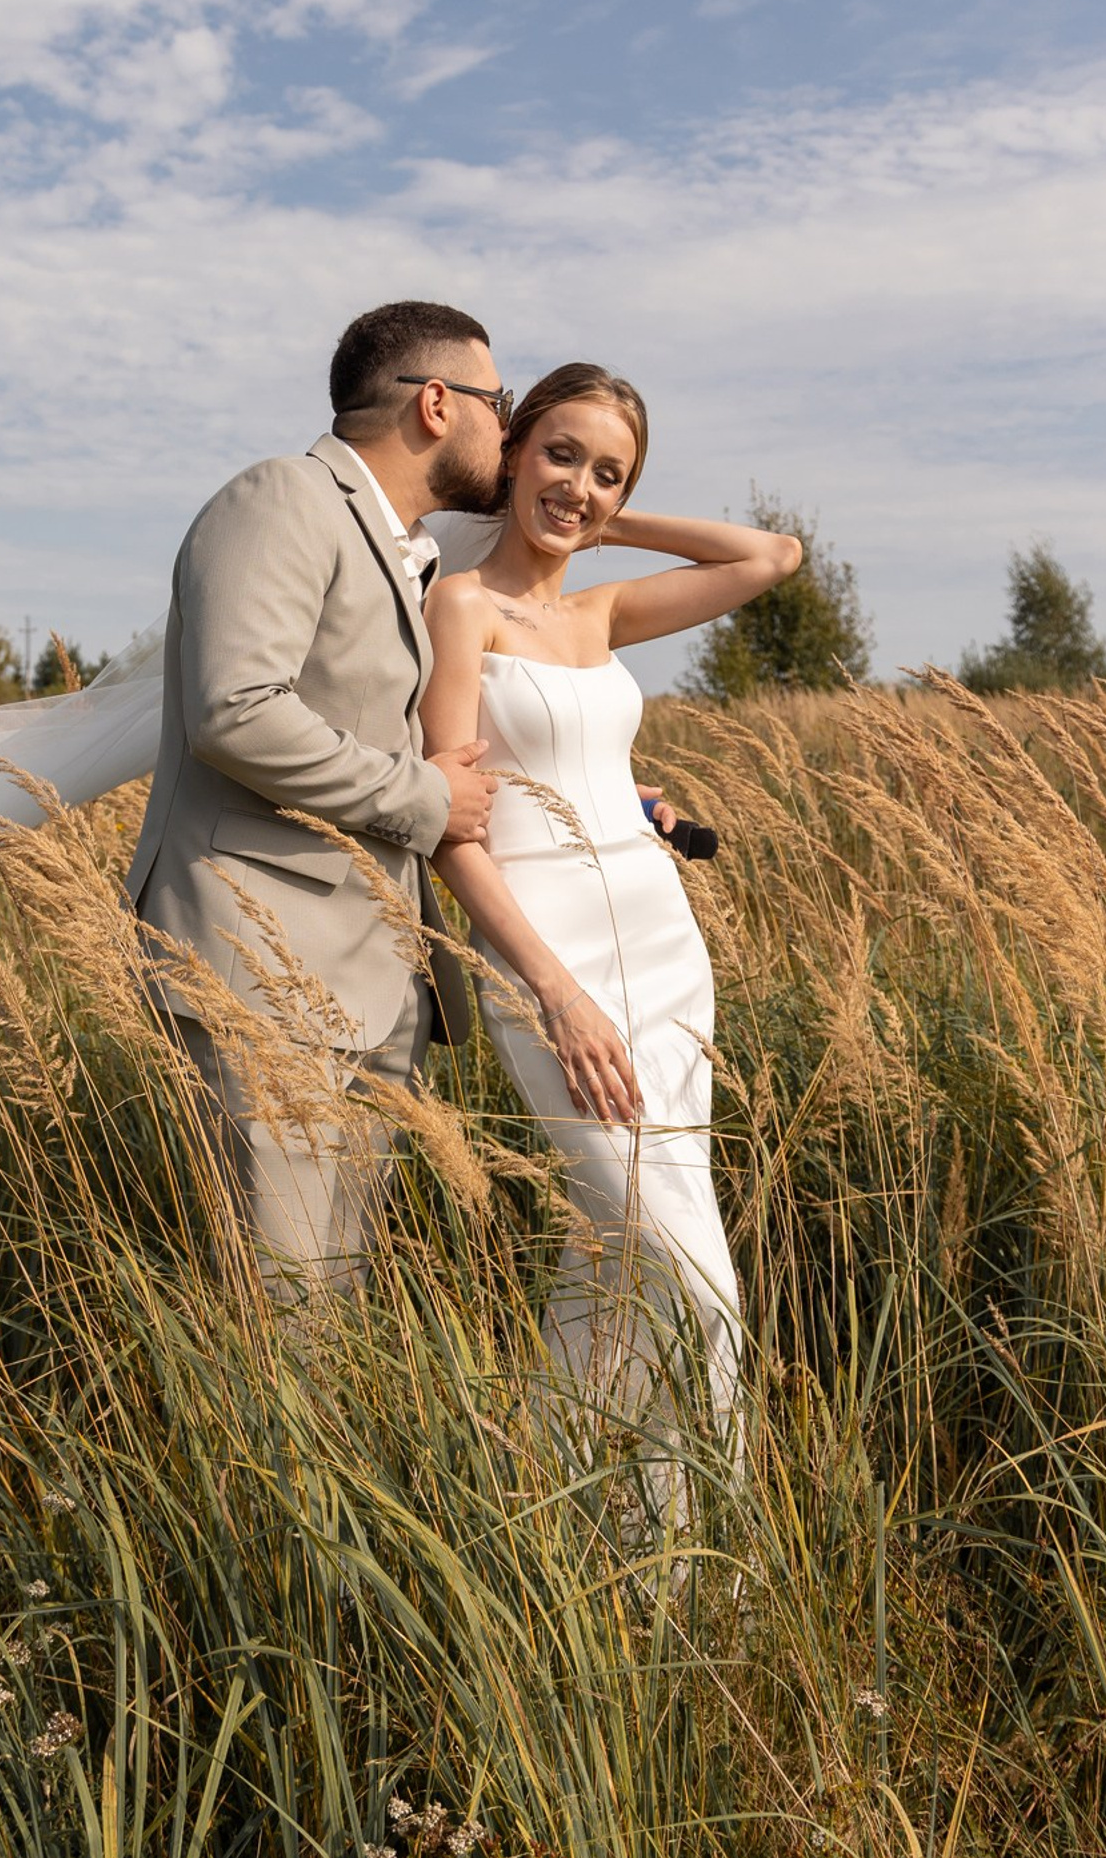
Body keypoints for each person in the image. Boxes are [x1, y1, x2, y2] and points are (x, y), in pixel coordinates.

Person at [419, 363, 802, 1437]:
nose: (579, 484)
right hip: (551, 962)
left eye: (609, 473)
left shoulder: (600, 613)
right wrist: (556, 994)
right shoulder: (460, 606)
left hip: (663, 948)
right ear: (512, 449)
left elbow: (772, 555)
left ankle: (578, 1513)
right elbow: (454, 830)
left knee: (620, 1252)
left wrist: (605, 523)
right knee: (698, 1285)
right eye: (559, 455)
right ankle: (697, 1543)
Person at [123, 300, 505, 1297]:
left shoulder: (408, 548)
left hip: (373, 985)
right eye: (498, 404)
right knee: (280, 1312)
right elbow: (234, 711)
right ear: (436, 403)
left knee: (335, 1303)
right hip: (261, 970)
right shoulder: (283, 498)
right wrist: (424, 799)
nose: (506, 430)